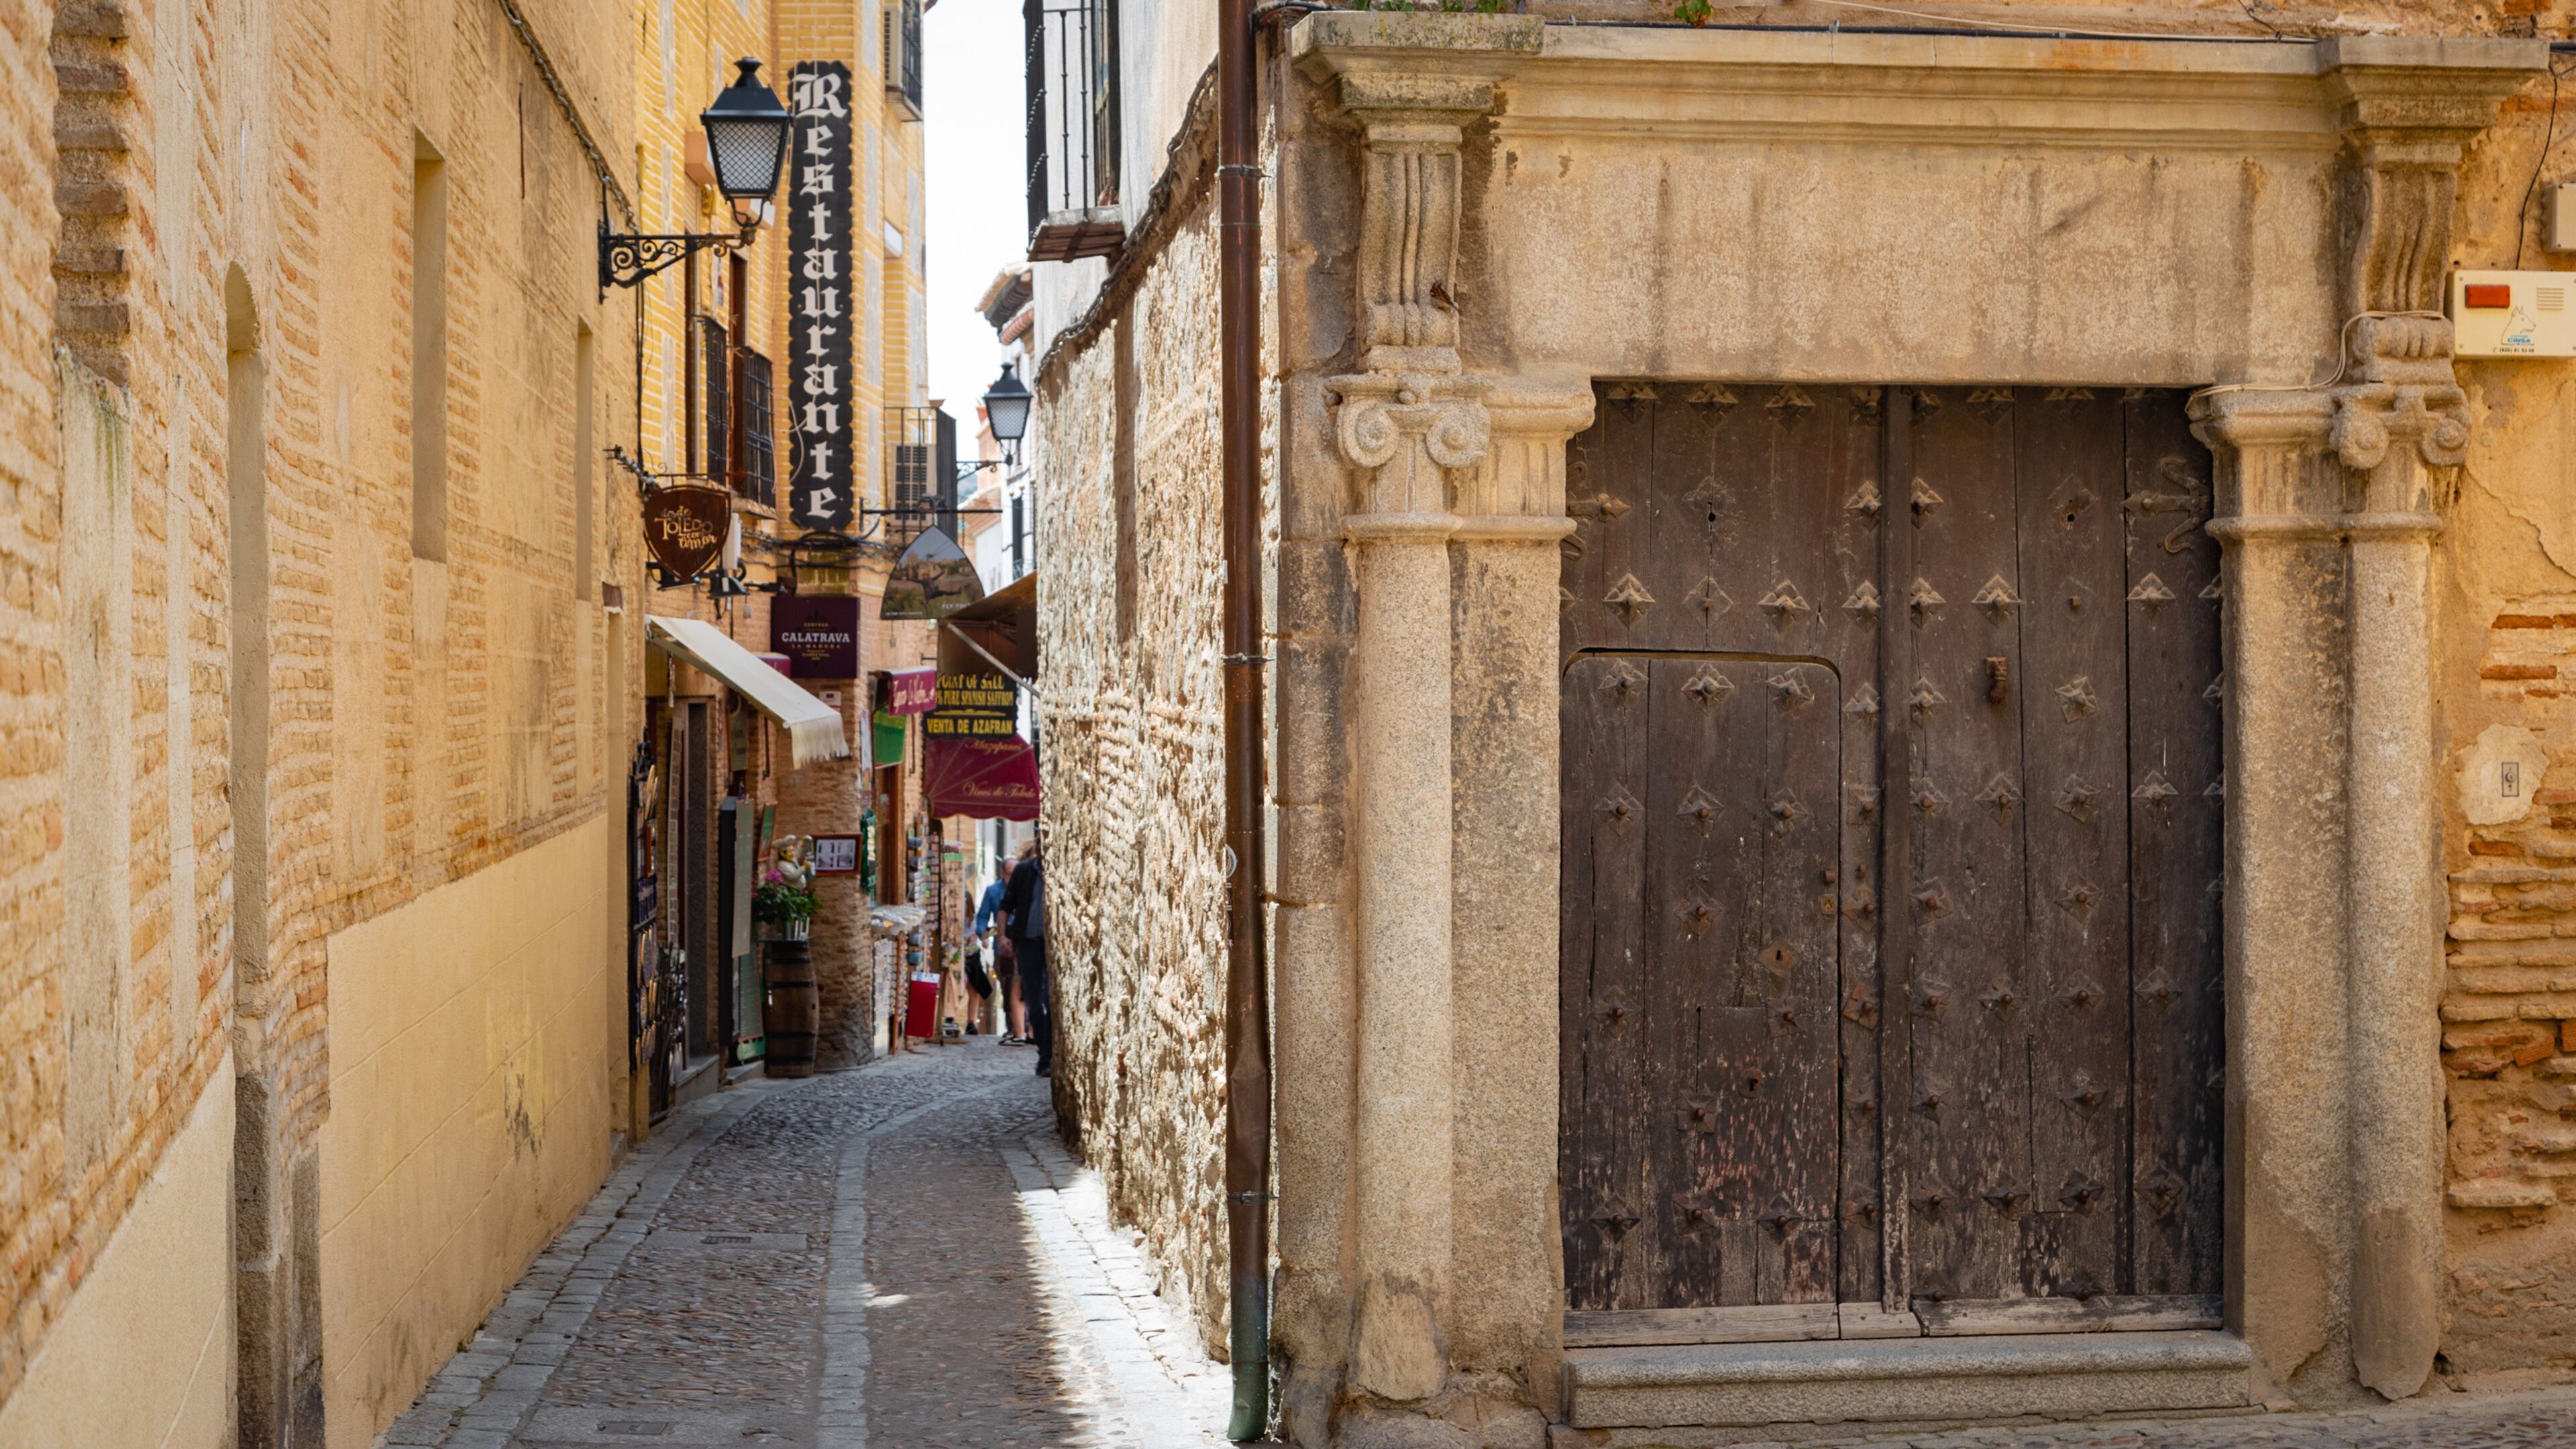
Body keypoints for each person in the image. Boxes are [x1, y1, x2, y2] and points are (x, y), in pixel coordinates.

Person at [998, 837, 1049, 1075]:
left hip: (1052, 946)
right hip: (1028, 944)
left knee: (1050, 1001)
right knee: (1035, 1002)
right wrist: (1002, 937)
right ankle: (1045, 1056)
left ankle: (1049, 1055)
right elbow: (1006, 906)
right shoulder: (1024, 871)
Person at [973, 857, 1024, 1042]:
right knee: (1007, 986)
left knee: (1021, 986)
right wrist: (983, 934)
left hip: (1023, 947)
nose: (1015, 878)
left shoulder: (1025, 889)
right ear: (1003, 873)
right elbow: (982, 917)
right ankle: (1013, 1027)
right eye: (1011, 874)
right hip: (1002, 950)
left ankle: (1023, 1028)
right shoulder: (993, 891)